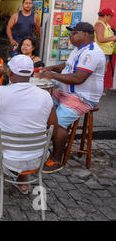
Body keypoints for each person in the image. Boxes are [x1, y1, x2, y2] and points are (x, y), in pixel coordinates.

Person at [0, 55, 57, 197]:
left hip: (8, 160)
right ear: (31, 73)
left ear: (9, 72)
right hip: (37, 159)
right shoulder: (45, 96)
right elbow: (53, 130)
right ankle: (23, 183)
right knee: (25, 133)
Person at [37, 22, 106, 173]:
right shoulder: (78, 49)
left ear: (86, 35)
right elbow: (66, 66)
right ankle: (40, 146)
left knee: (57, 123)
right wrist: (52, 68)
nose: (71, 35)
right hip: (64, 93)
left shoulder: (92, 53)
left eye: (74, 32)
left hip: (81, 97)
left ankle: (56, 159)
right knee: (40, 105)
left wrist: (52, 75)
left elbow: (78, 78)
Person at [94, 8, 116, 73]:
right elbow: (100, 39)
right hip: (101, 52)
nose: (111, 18)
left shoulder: (106, 25)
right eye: (110, 16)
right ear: (106, 15)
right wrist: (113, 38)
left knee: (103, 72)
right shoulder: (100, 24)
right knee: (99, 73)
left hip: (106, 52)